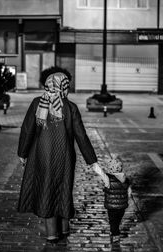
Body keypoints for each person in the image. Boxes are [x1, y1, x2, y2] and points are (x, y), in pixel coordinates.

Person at [17, 71, 109, 245]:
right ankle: (64, 229)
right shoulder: (70, 107)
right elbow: (81, 137)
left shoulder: (37, 103)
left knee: (46, 189)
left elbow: (27, 130)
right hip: (65, 158)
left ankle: (52, 233)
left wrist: (22, 153)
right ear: (64, 86)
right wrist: (93, 163)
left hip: (41, 156)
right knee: (63, 189)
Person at [102, 154, 132, 244]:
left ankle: (115, 234)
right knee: (118, 220)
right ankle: (115, 231)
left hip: (111, 206)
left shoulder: (108, 179)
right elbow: (129, 192)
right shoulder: (125, 179)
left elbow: (102, 176)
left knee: (112, 221)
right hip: (122, 206)